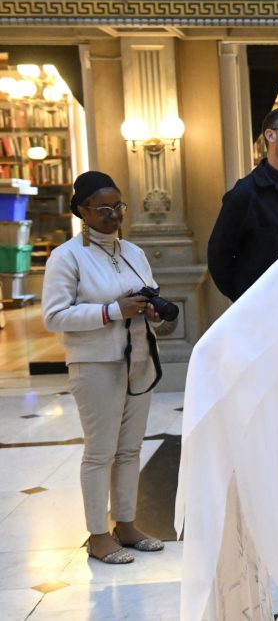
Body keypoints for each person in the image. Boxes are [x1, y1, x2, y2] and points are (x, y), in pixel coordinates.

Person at [42, 171, 166, 564]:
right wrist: (113, 311)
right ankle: (98, 535)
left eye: (118, 207)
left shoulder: (133, 252)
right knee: (100, 453)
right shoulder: (67, 256)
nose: (113, 216)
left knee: (130, 450)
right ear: (82, 211)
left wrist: (153, 312)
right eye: (103, 209)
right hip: (95, 365)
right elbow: (54, 317)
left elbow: (149, 300)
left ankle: (126, 525)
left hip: (139, 359)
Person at [207, 107, 278, 301]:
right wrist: (247, 299)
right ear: (270, 135)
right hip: (266, 308)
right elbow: (219, 257)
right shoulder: (244, 194)